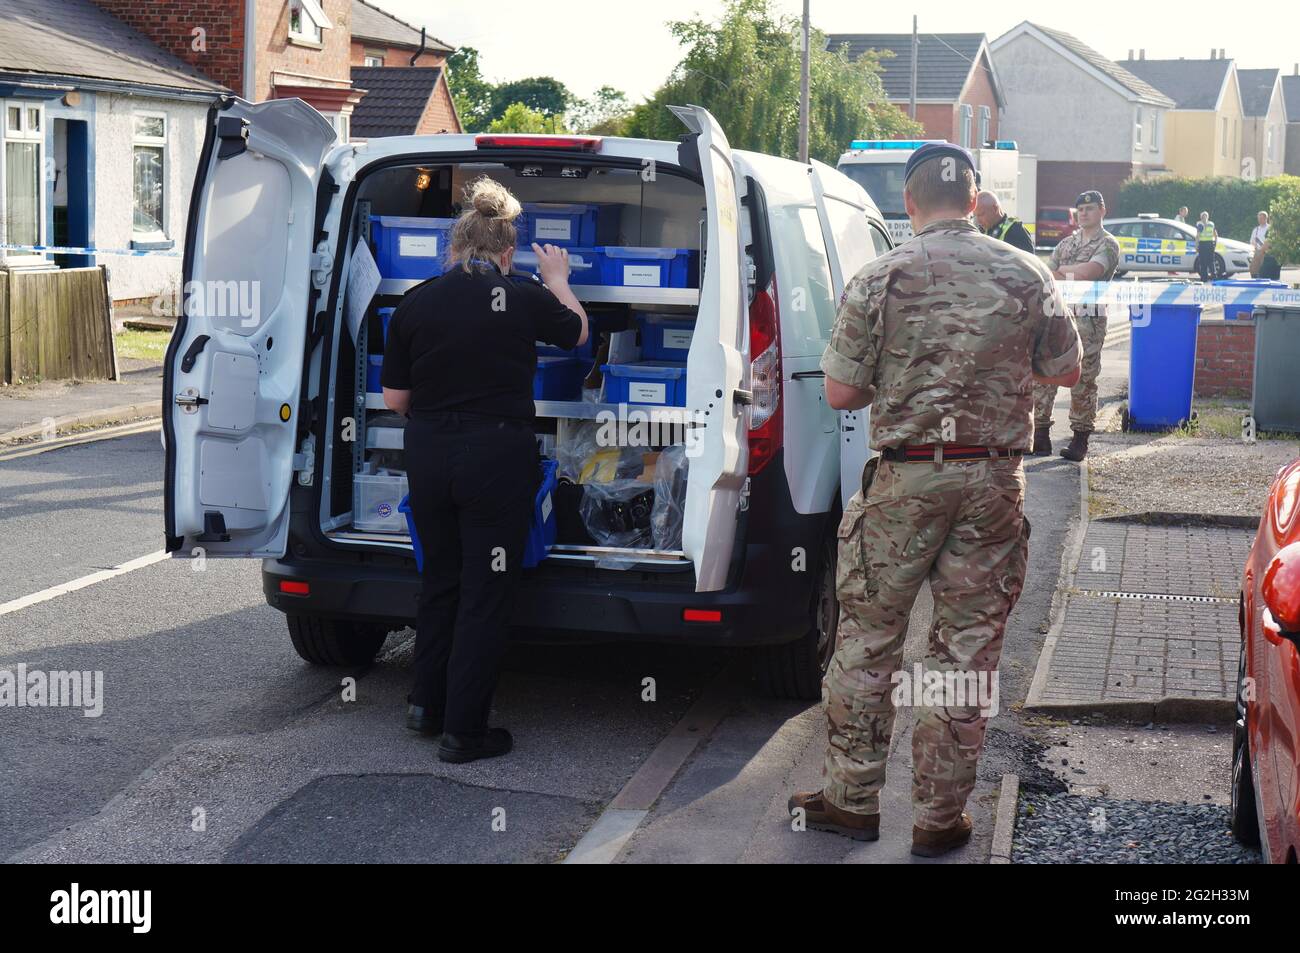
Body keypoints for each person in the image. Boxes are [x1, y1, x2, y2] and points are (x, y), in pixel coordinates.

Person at [788, 142, 1081, 857]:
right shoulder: (1026, 270)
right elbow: (1067, 369)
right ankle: (938, 817)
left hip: (904, 483)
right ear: (976, 201)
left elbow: (840, 392)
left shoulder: (879, 276)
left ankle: (852, 800)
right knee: (967, 651)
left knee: (867, 642)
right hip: (993, 483)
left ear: (910, 205)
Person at [381, 176, 588, 763]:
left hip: (428, 454)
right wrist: (559, 282)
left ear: (454, 247)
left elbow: (396, 400)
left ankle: (426, 705)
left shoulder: (416, 300)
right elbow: (577, 333)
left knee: (440, 580)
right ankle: (465, 731)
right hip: (494, 457)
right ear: (506, 252)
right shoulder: (520, 293)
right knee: (485, 591)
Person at [1031, 190, 1120, 462]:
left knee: (1083, 380)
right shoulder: (1065, 244)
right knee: (1046, 374)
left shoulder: (1108, 244)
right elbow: (1047, 274)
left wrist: (1063, 273)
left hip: (1088, 322)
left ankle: (1080, 439)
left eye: (1090, 209)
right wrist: (1068, 273)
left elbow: (1089, 273)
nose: (1084, 213)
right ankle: (1040, 436)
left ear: (1102, 211)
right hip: (1058, 318)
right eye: (1080, 209)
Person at [974, 190, 1036, 254]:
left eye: (981, 214)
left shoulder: (1016, 231)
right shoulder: (981, 231)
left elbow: (1028, 261)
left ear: (995, 209)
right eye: (976, 216)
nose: (978, 221)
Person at [1194, 210, 1218, 282]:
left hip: (1203, 245)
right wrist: (1215, 243)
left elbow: (1198, 236)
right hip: (1210, 244)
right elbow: (1216, 235)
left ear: (1201, 217)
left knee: (1203, 262)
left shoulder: (1200, 224)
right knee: (1211, 261)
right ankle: (1214, 277)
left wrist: (1196, 246)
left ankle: (1204, 278)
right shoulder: (1211, 224)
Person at [1250, 211, 1271, 277]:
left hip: (1267, 253)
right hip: (1257, 252)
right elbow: (1252, 241)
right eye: (1259, 218)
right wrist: (1254, 245)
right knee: (1253, 269)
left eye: (1261, 218)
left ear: (1266, 218)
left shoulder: (1270, 228)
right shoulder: (1255, 230)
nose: (1260, 220)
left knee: (1264, 271)